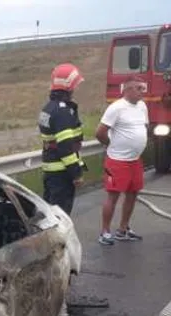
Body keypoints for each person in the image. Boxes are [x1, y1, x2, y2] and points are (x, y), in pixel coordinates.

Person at [95, 75, 149, 245]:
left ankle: (123, 229)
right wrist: (111, 145)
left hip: (135, 160)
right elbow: (100, 132)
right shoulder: (116, 108)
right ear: (127, 89)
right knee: (113, 195)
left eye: (143, 88)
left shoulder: (142, 106)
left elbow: (144, 126)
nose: (142, 92)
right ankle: (105, 232)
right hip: (117, 161)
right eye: (139, 88)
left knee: (133, 194)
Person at [38, 63, 86, 216]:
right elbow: (65, 147)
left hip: (50, 170)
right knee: (60, 218)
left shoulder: (49, 107)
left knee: (49, 215)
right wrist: (76, 173)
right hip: (61, 173)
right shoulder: (63, 112)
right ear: (69, 86)